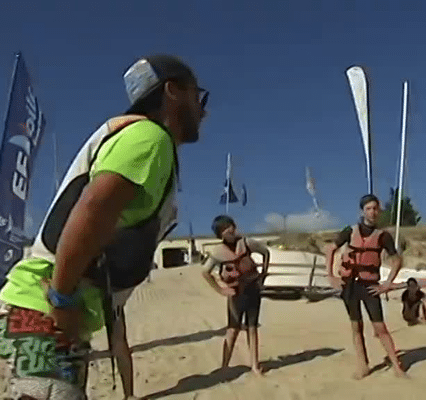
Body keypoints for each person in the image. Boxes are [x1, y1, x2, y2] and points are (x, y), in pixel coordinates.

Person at [0, 54, 208, 399]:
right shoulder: (149, 138)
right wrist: (62, 298)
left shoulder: (140, 137)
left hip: (52, 314)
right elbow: (93, 210)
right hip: (47, 313)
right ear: (172, 91)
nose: (203, 109)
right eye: (198, 96)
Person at [325, 194, 405, 379]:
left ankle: (396, 365)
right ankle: (363, 365)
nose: (372, 212)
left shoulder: (383, 236)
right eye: (369, 209)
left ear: (379, 210)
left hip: (370, 286)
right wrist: (330, 276)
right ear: (363, 211)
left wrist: (387, 284)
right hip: (349, 285)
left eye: (375, 208)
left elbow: (397, 260)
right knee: (356, 326)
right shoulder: (350, 231)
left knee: (380, 327)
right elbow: (330, 249)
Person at [201, 216, 270, 376]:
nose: (229, 230)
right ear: (220, 233)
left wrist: (263, 275)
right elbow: (205, 272)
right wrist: (220, 290)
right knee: (233, 330)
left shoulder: (246, 243)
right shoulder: (218, 252)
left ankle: (254, 365)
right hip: (236, 293)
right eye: (225, 229)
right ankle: (224, 367)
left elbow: (265, 252)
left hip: (253, 290)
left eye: (230, 226)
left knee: (252, 329)